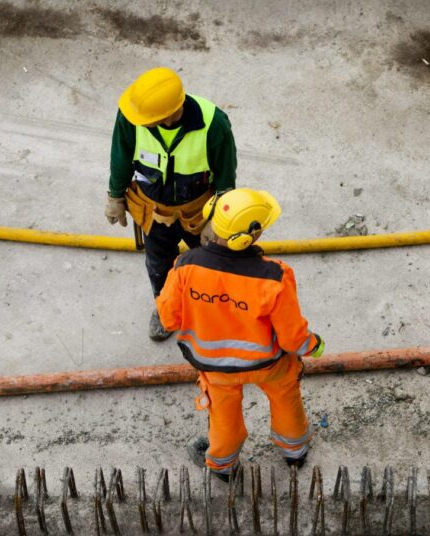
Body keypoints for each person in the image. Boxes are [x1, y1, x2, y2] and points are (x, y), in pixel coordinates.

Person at [155, 188, 325, 481]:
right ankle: (294, 452)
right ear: (252, 236)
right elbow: (291, 338)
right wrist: (314, 345)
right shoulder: (274, 276)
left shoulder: (185, 267)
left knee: (223, 415)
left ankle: (223, 466)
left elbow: (169, 318)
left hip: (215, 366)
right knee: (286, 398)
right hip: (269, 365)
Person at [105, 67, 237, 341]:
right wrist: (114, 196)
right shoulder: (133, 117)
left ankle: (213, 309)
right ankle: (167, 310)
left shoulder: (213, 124)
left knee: (212, 263)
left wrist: (218, 218)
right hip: (155, 211)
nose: (140, 121)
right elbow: (120, 155)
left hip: (199, 211)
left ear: (169, 113)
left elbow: (226, 173)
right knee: (158, 264)